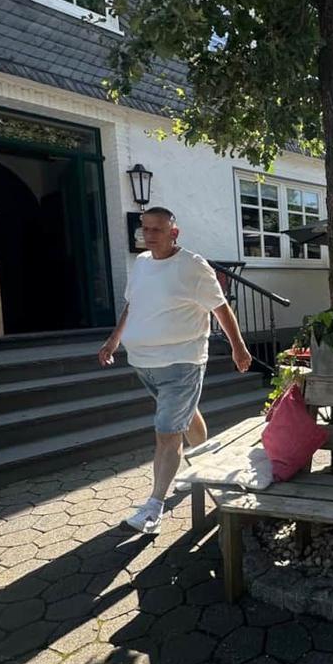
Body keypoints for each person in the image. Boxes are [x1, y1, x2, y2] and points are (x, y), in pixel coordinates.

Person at [98, 206, 252, 535]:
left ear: (174, 232)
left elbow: (221, 308)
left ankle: (153, 508)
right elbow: (132, 306)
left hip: (182, 362)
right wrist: (113, 341)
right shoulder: (141, 264)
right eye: (145, 229)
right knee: (184, 415)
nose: (149, 235)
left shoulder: (193, 266)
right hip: (144, 363)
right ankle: (205, 462)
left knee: (167, 432)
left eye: (157, 229)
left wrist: (238, 347)